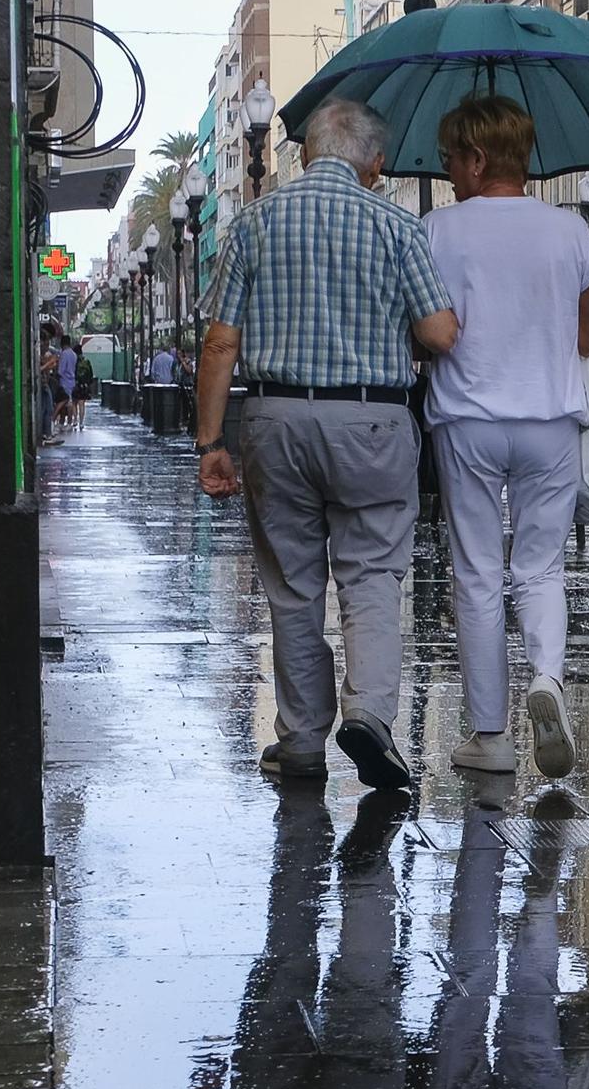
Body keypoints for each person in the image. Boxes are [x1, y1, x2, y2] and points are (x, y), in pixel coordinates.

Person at [193, 98, 460, 790]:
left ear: (307, 155)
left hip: (275, 419)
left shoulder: (253, 223)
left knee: (292, 585)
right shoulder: (399, 226)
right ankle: (369, 713)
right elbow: (437, 335)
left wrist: (209, 441)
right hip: (372, 421)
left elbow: (221, 340)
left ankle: (302, 739)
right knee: (371, 575)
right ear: (375, 164)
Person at [420, 95, 589, 778]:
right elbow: (587, 337)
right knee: (540, 566)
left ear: (475, 157)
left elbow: (430, 329)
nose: (447, 174)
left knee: (475, 572)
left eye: (449, 161)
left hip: (467, 420)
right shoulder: (571, 233)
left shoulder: (438, 230)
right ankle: (547, 680)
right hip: (550, 419)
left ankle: (491, 736)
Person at [55, 334, 81, 431]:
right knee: (69, 402)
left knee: (65, 402)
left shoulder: (64, 354)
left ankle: (65, 422)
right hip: (72, 381)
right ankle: (67, 422)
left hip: (64, 381)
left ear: (62, 343)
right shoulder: (74, 354)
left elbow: (60, 370)